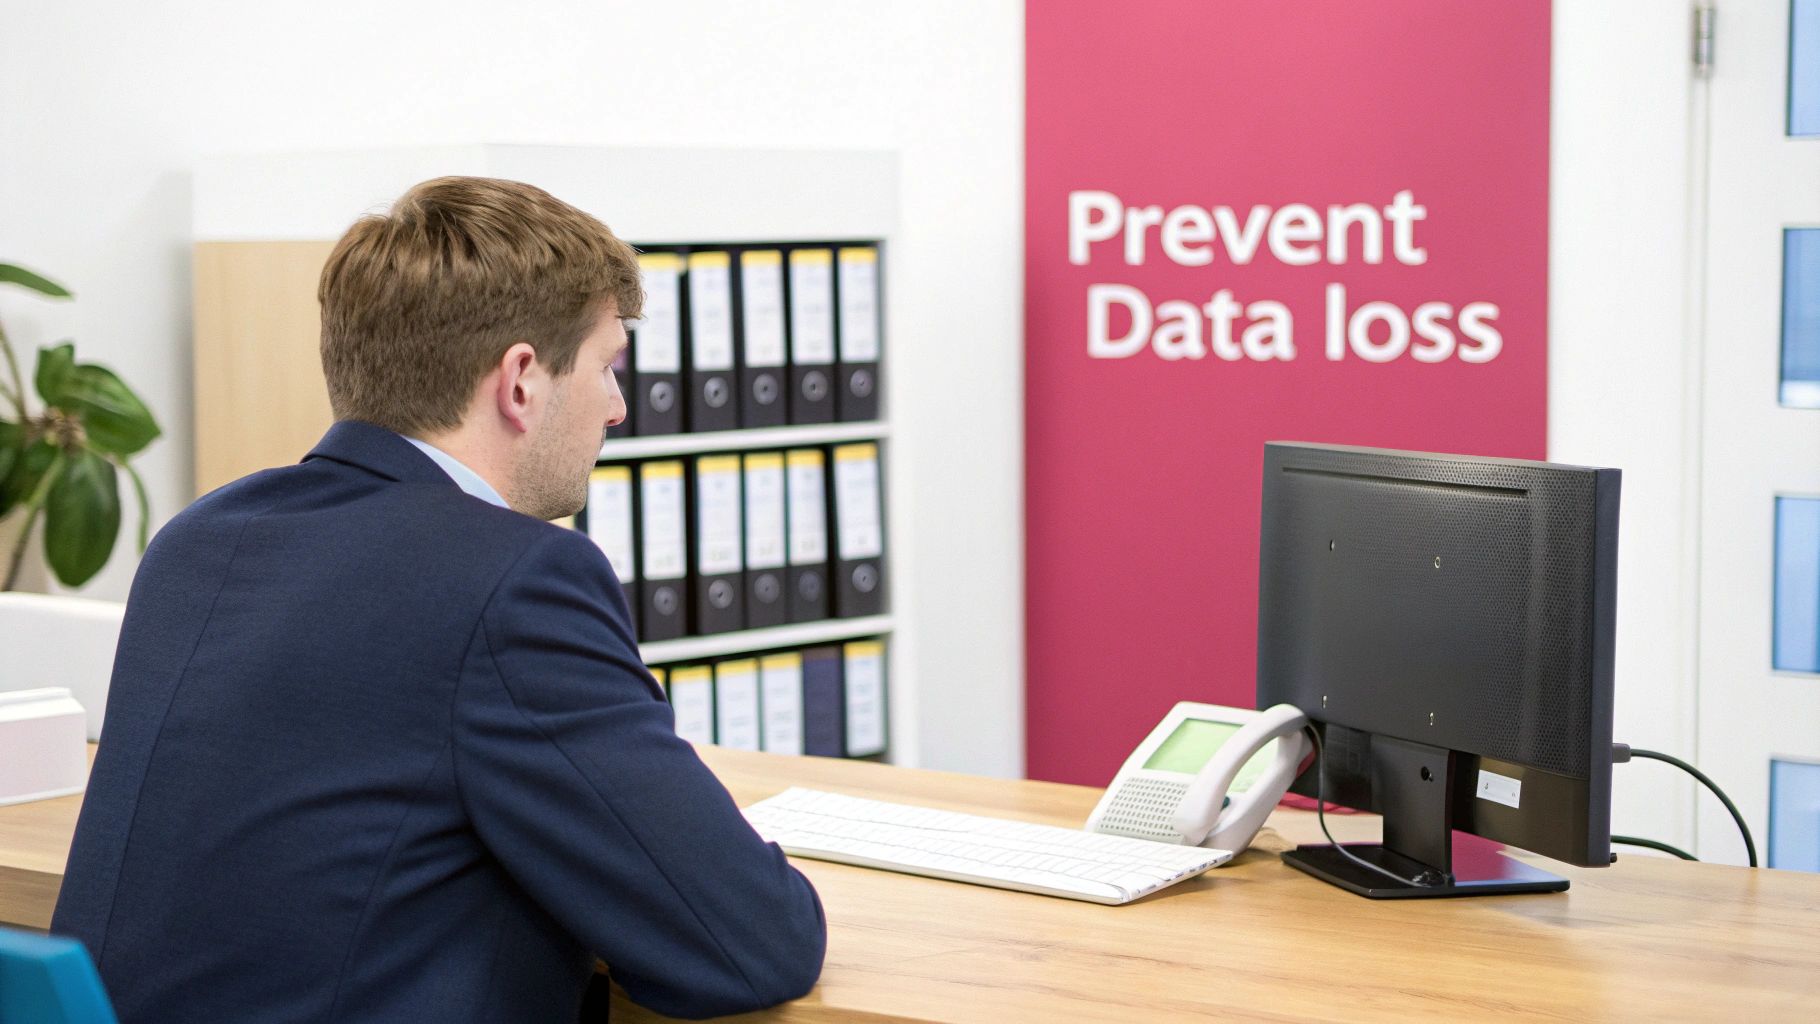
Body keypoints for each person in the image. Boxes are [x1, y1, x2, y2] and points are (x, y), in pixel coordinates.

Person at [52, 177, 826, 1022]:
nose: (617, 407)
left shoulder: (199, 540)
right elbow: (748, 944)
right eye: (607, 366)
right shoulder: (518, 580)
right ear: (521, 379)